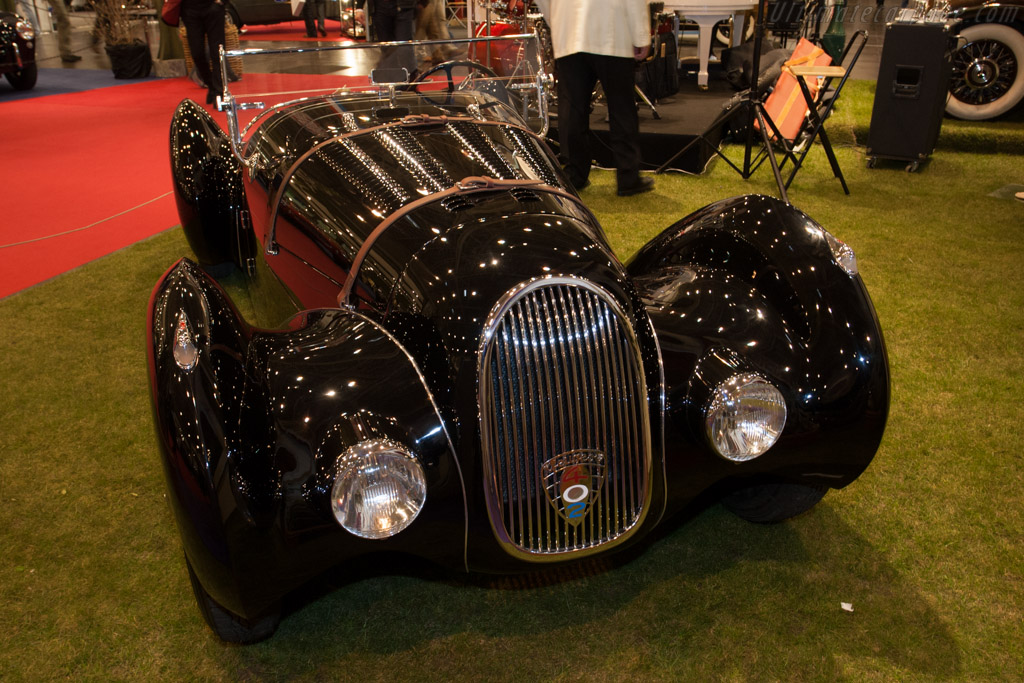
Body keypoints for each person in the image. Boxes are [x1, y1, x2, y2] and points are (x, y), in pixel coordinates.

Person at [535, 0, 654, 196]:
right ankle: (628, 177)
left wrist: (556, 23)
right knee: (622, 108)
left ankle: (575, 175)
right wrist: (641, 35)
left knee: (572, 110)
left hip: (568, 32)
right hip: (612, 30)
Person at [357, 0, 422, 77]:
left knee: (404, 47)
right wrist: (359, 7)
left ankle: (411, 78)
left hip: (404, 6)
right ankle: (392, 80)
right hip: (379, 7)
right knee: (386, 48)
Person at [180, 0, 228, 104]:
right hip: (190, 10)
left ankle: (219, 92)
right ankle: (211, 85)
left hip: (213, 8)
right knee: (197, 53)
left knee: (217, 53)